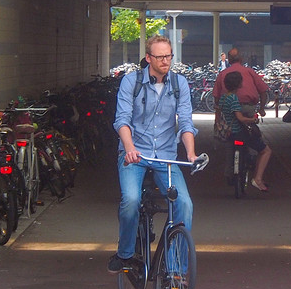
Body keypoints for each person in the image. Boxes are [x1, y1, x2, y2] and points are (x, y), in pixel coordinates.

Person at [109, 35, 198, 273]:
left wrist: (190, 153)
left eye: (168, 56)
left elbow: (186, 123)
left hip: (165, 156)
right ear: (148, 58)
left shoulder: (179, 84)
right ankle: (125, 253)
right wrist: (129, 149)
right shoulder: (131, 82)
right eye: (159, 57)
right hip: (135, 154)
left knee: (185, 204)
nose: (165, 61)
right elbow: (122, 120)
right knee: (130, 200)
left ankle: (175, 268)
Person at [219, 70, 273, 191]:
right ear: (238, 84)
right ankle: (258, 179)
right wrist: (252, 120)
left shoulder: (223, 98)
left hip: (229, 133)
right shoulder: (233, 98)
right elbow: (240, 118)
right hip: (239, 132)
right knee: (266, 151)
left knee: (230, 152)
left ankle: (229, 172)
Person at [212, 47, 270, 113]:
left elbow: (216, 96)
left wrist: (218, 117)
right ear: (241, 59)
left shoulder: (222, 74)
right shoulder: (250, 71)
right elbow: (263, 91)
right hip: (248, 108)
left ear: (229, 60)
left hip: (228, 109)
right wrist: (261, 109)